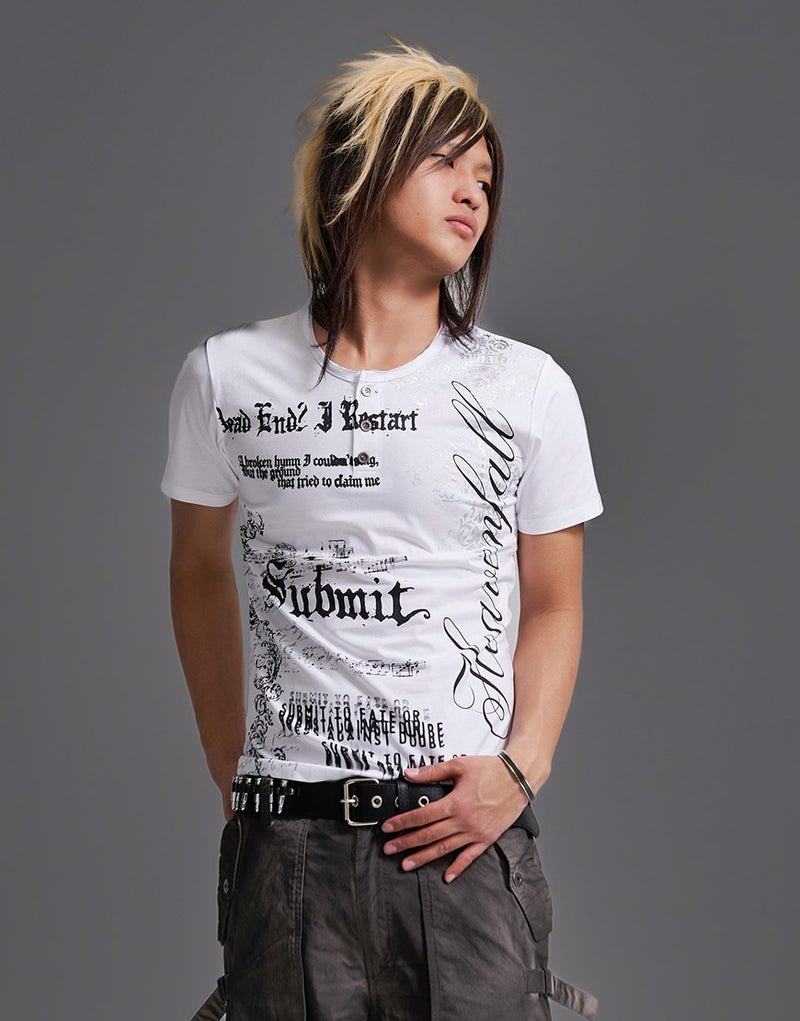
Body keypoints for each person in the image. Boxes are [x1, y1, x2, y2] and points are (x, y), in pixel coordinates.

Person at [161, 38, 603, 1021]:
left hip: (458, 844)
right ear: (355, 170)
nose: (474, 191)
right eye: (446, 162)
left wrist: (519, 770)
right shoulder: (226, 377)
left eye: (485, 175)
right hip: (287, 855)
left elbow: (555, 602)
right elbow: (196, 572)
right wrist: (236, 771)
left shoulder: (526, 389)